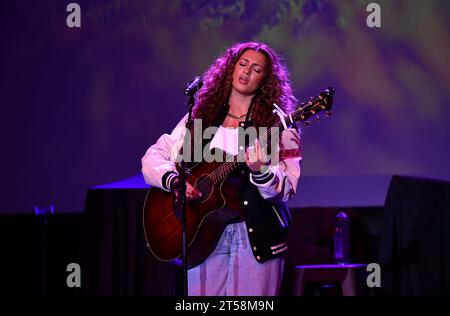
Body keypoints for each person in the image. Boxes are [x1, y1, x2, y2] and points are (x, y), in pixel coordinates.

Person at [141, 42, 302, 296]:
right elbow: (154, 156)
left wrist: (261, 171)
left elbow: (286, 188)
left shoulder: (275, 126)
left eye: (257, 69)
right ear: (231, 68)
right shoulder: (202, 116)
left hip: (254, 237)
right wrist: (174, 181)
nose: (247, 72)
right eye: (243, 64)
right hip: (203, 235)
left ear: (266, 81)